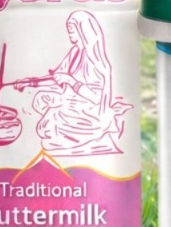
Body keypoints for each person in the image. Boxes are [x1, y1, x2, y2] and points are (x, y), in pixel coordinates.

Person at [11, 10, 131, 155]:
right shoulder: (75, 52)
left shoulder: (97, 63)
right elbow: (56, 78)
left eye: (72, 29)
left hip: (88, 110)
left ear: (83, 31)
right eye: (69, 29)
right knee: (40, 102)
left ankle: (79, 133)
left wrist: (72, 82)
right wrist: (30, 82)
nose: (69, 33)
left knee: (48, 131)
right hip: (69, 101)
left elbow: (96, 98)